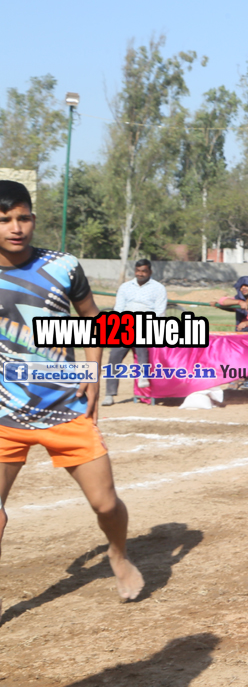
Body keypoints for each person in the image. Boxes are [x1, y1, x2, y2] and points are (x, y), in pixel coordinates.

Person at [0, 180, 144, 606]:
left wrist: (92, 372)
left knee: (105, 505)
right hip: (4, 414)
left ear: (34, 219)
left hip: (65, 407)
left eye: (23, 217)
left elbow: (92, 318)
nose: (16, 227)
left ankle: (118, 554)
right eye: (5, 219)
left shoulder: (63, 266)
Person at [102, 258, 167, 406]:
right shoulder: (125, 287)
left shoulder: (158, 288)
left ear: (150, 271)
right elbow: (118, 309)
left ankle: (143, 373)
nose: (140, 274)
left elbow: (160, 312)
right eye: (138, 271)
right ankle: (109, 394)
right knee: (114, 357)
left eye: (144, 271)